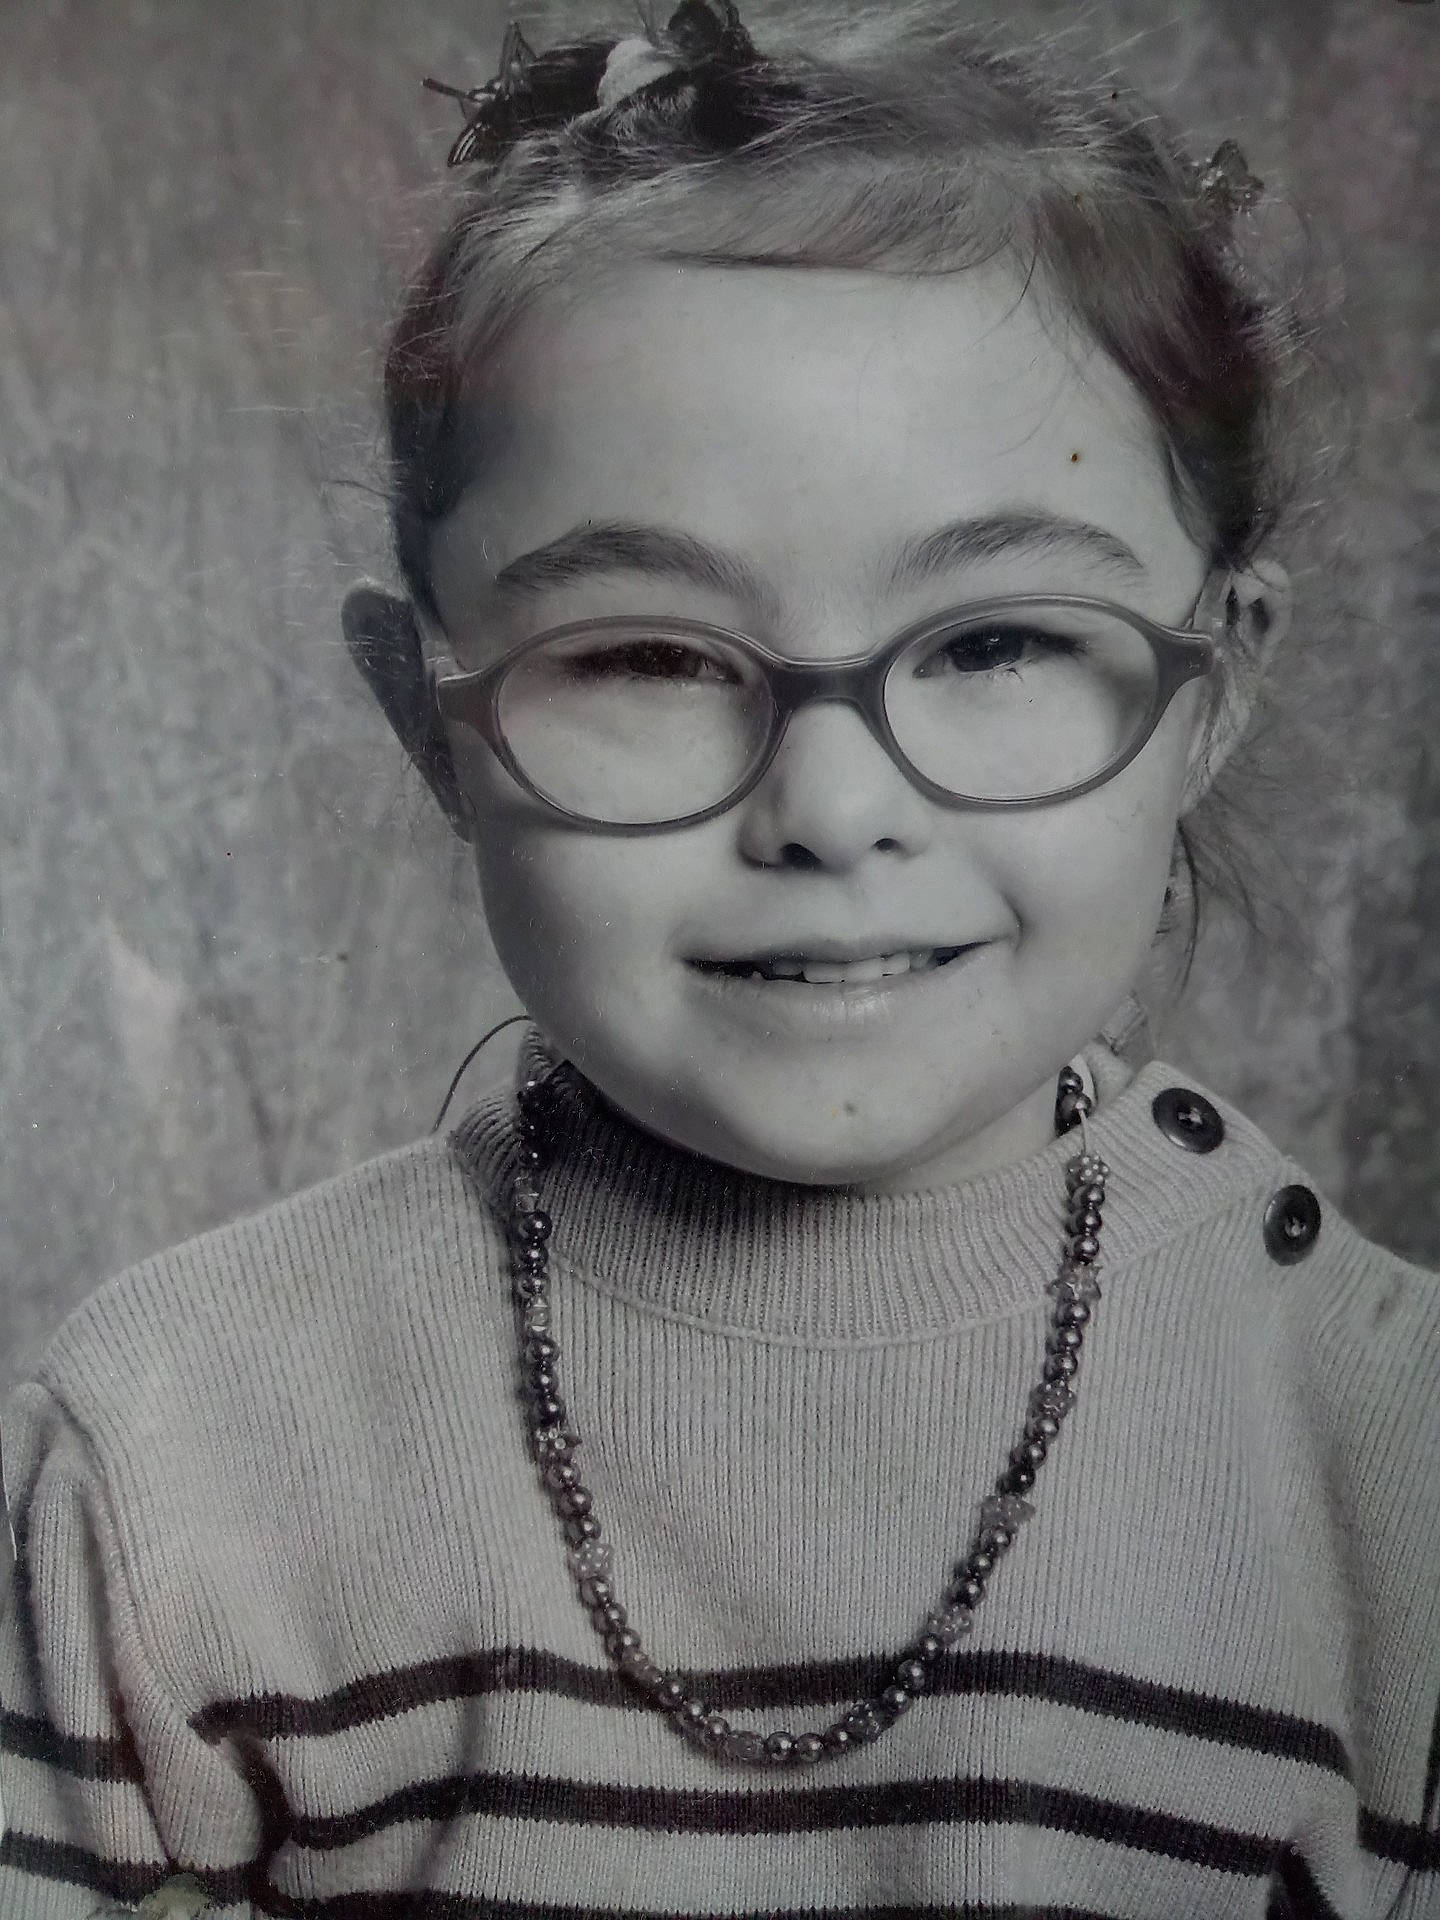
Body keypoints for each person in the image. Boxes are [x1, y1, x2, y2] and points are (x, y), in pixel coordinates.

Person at [2, 3, 1436, 1914]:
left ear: (1216, 687)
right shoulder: (180, 1463)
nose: (832, 807)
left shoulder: (1389, 1469)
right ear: (431, 722)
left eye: (996, 642)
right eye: (649, 657)